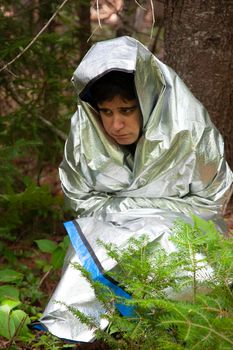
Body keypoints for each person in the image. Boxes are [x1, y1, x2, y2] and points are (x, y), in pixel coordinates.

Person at [38, 36, 233, 343]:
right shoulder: (85, 130)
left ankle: (171, 329)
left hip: (182, 233)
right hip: (107, 230)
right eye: (107, 112)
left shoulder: (189, 128)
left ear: (148, 99)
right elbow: (79, 198)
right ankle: (81, 332)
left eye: (127, 110)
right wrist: (134, 215)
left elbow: (213, 201)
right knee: (88, 246)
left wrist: (147, 217)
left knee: (165, 238)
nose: (116, 125)